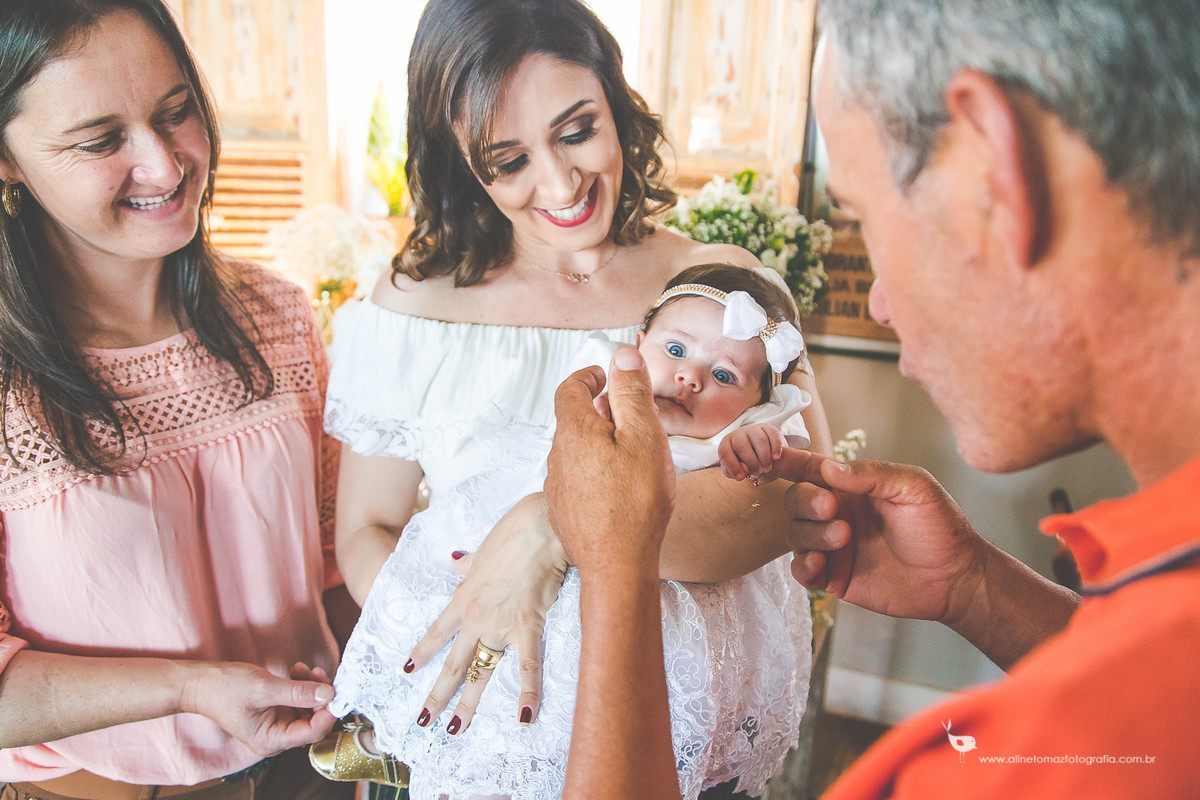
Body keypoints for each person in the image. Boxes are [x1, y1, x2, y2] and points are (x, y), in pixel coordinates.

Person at [545, 0, 1200, 798]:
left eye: (863, 218)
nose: (882, 302)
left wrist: (618, 574)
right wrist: (981, 592)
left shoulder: (1035, 767)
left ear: (996, 172)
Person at [323, 0, 832, 798]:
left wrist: (551, 525)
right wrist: (470, 627)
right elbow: (366, 527)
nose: (560, 184)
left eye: (575, 129)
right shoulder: (410, 310)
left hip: (676, 732)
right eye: (508, 159)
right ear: (459, 160)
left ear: (617, 103)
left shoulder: (719, 287)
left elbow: (796, 497)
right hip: (491, 723)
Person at [0, 2, 353, 798]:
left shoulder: (281, 318)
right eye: (99, 141)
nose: (164, 165)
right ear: (7, 160)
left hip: (311, 771)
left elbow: (338, 559)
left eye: (176, 111)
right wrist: (189, 687)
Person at [323, 264, 814, 798]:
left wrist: (753, 452)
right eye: (675, 351)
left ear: (759, 402)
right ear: (639, 342)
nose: (690, 377)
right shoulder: (606, 383)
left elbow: (788, 494)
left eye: (724, 376)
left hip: (657, 595)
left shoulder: (738, 436)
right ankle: (403, 730)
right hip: (535, 556)